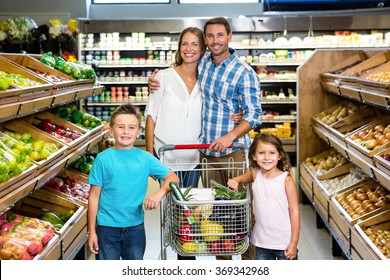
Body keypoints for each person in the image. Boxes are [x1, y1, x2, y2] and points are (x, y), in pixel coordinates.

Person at [149, 17, 262, 260]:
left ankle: (251, 266)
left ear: (229, 36)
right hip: (207, 156)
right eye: (210, 36)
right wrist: (153, 81)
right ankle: (223, 266)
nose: (215, 41)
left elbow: (254, 114)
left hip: (233, 154)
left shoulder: (244, 72)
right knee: (217, 217)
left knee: (240, 215)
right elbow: (179, 71)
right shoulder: (205, 65)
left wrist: (231, 135)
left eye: (219, 35)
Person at [87, 104, 179, 260]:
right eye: (120, 127)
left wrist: (159, 194)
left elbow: (173, 178)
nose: (126, 132)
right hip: (106, 228)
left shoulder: (145, 158)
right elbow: (93, 197)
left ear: (139, 132)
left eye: (131, 127)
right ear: (111, 130)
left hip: (135, 228)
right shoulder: (102, 159)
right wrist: (92, 232)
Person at [227, 133, 300, 260]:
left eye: (272, 153)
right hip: (262, 242)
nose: (267, 157)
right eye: (261, 153)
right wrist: (236, 180)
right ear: (254, 156)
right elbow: (249, 176)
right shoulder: (256, 174)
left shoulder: (285, 179)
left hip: (284, 242)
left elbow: (294, 211)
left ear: (280, 155)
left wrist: (293, 243)